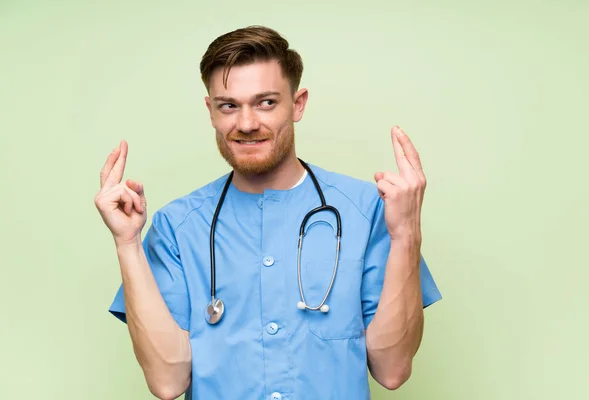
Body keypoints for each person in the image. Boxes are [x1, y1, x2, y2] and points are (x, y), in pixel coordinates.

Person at [94, 25, 442, 400]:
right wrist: (127, 242)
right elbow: (167, 383)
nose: (246, 124)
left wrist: (407, 233)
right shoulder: (177, 227)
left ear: (299, 104)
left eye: (266, 102)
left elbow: (392, 370)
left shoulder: (367, 212)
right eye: (229, 105)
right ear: (211, 111)